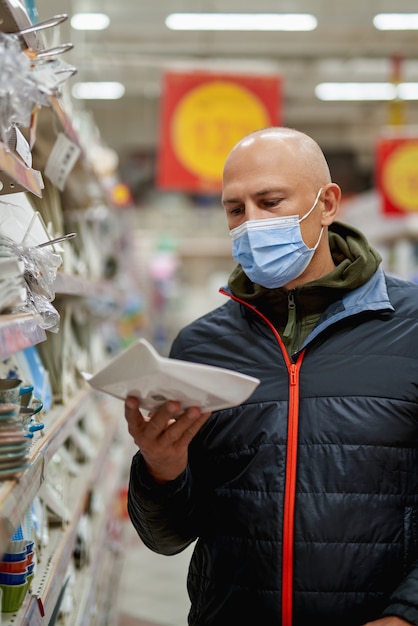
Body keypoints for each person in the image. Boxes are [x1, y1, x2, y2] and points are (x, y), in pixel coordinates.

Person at [124, 126, 418, 626]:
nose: (251, 224)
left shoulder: (409, 328)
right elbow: (167, 538)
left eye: (270, 201)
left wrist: (407, 614)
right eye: (235, 210)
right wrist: (161, 469)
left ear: (326, 204)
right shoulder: (200, 347)